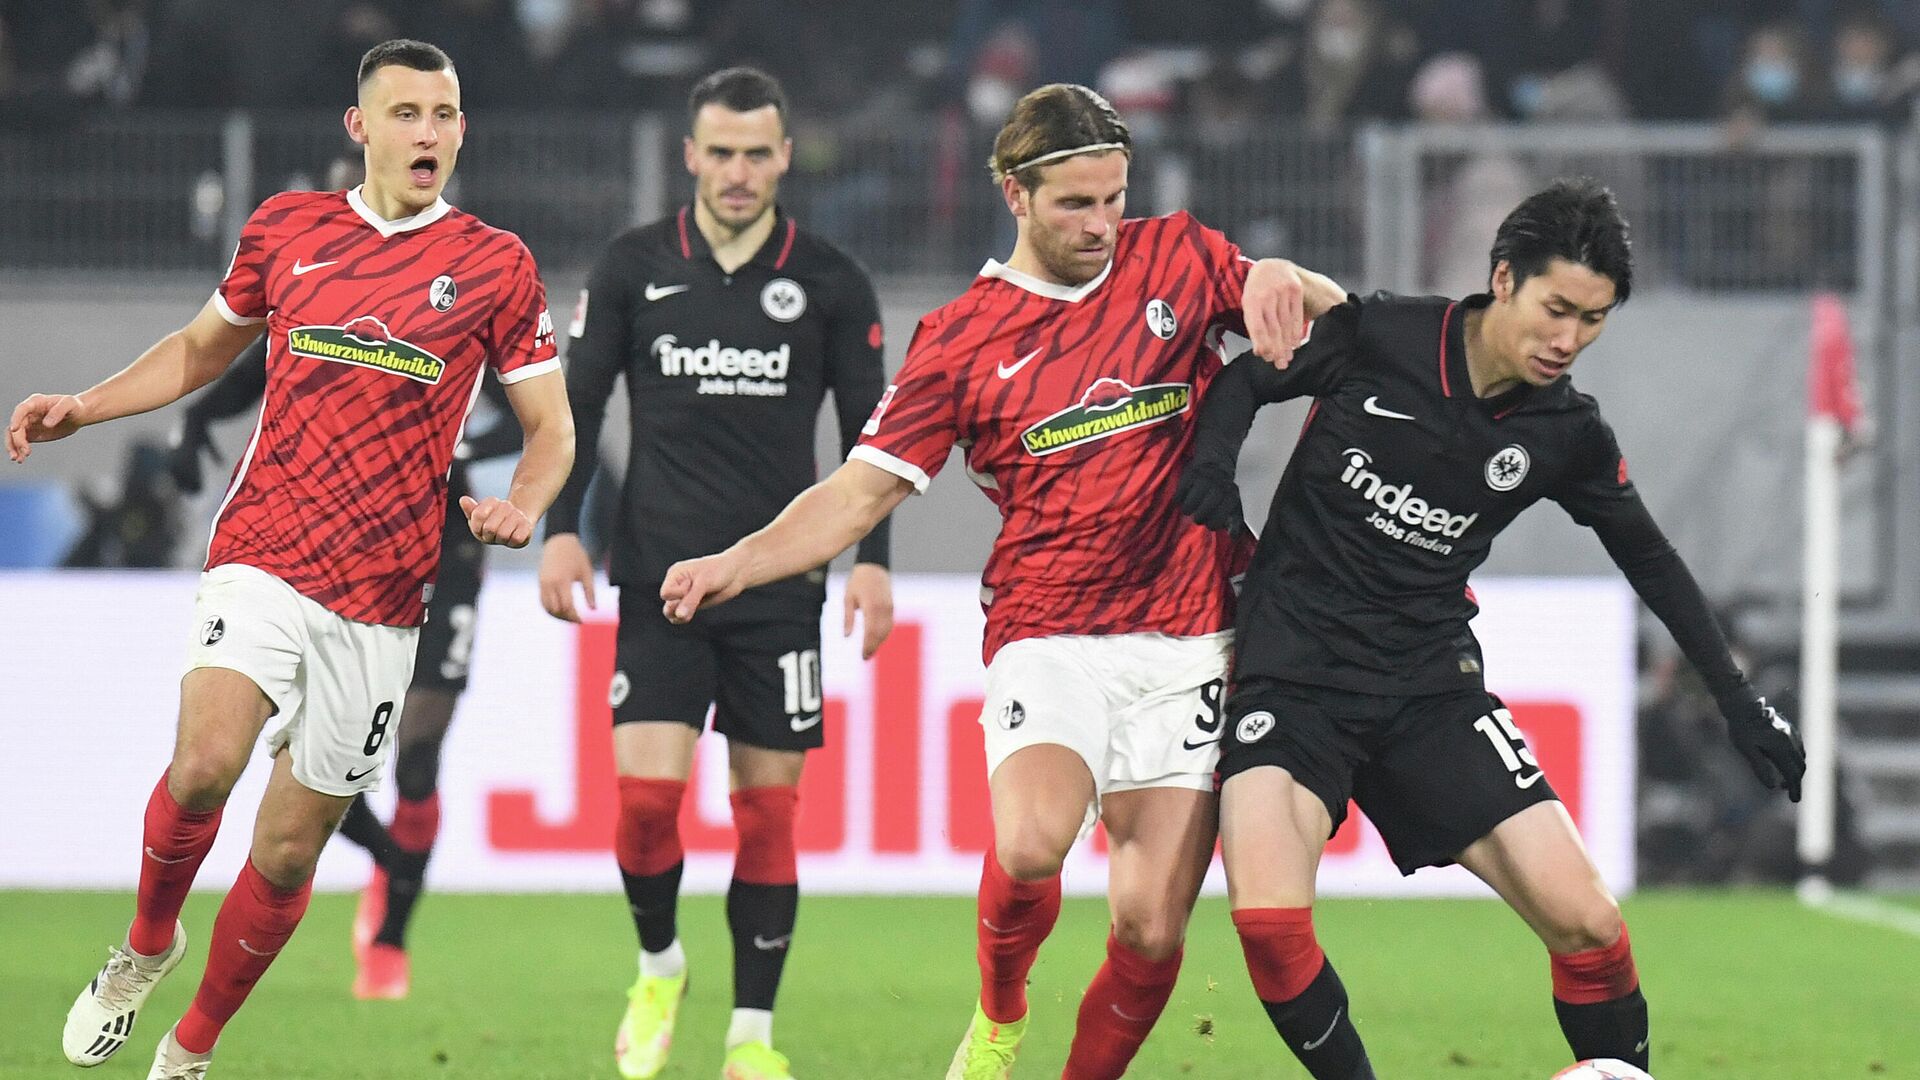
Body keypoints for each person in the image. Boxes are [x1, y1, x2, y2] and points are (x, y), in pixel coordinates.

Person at [658, 82, 1343, 1080]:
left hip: (1193, 634)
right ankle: (1001, 1012)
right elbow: (855, 496)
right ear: (1015, 196)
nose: (1103, 223)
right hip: (1049, 633)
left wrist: (1284, 272)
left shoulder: (1181, 257)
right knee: (1029, 846)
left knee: (1151, 932)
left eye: (1114, 197)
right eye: (1075, 203)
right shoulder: (962, 338)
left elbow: (1330, 321)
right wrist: (734, 562)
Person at [11, 39, 574, 1079]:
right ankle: (142, 949)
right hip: (264, 551)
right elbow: (198, 350)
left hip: (384, 597)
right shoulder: (290, 229)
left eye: (445, 116)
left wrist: (524, 506)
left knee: (285, 851)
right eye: (406, 114)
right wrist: (84, 405)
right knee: (203, 764)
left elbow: (553, 430)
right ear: (359, 129)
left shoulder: (496, 264)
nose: (429, 134)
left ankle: (191, 1048)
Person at [1173, 177, 1807, 1079]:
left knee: (1590, 925)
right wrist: (1214, 466)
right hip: (1294, 678)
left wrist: (1738, 702)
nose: (1569, 340)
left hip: (1430, 690)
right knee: (1271, 927)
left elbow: (1652, 561)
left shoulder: (1566, 431)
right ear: (1503, 279)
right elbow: (1245, 380)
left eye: (1593, 321)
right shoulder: (1387, 336)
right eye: (1557, 309)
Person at [537, 67, 895, 1080]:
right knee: (646, 807)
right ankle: (660, 966)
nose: (738, 172)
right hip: (659, 583)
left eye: (757, 153)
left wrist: (873, 562)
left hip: (782, 591)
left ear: (785, 156)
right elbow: (579, 407)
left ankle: (752, 1039)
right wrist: (565, 530)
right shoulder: (631, 267)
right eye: (721, 152)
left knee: (767, 815)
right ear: (691, 155)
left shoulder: (829, 280)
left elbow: (878, 439)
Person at [164, 179, 522, 999]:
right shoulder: (330, 290)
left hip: (445, 541)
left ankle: (393, 933)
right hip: (331, 544)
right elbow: (256, 365)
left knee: (422, 750)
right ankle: (393, 863)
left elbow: (524, 411)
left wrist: (453, 441)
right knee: (331, 751)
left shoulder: (470, 292)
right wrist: (192, 427)